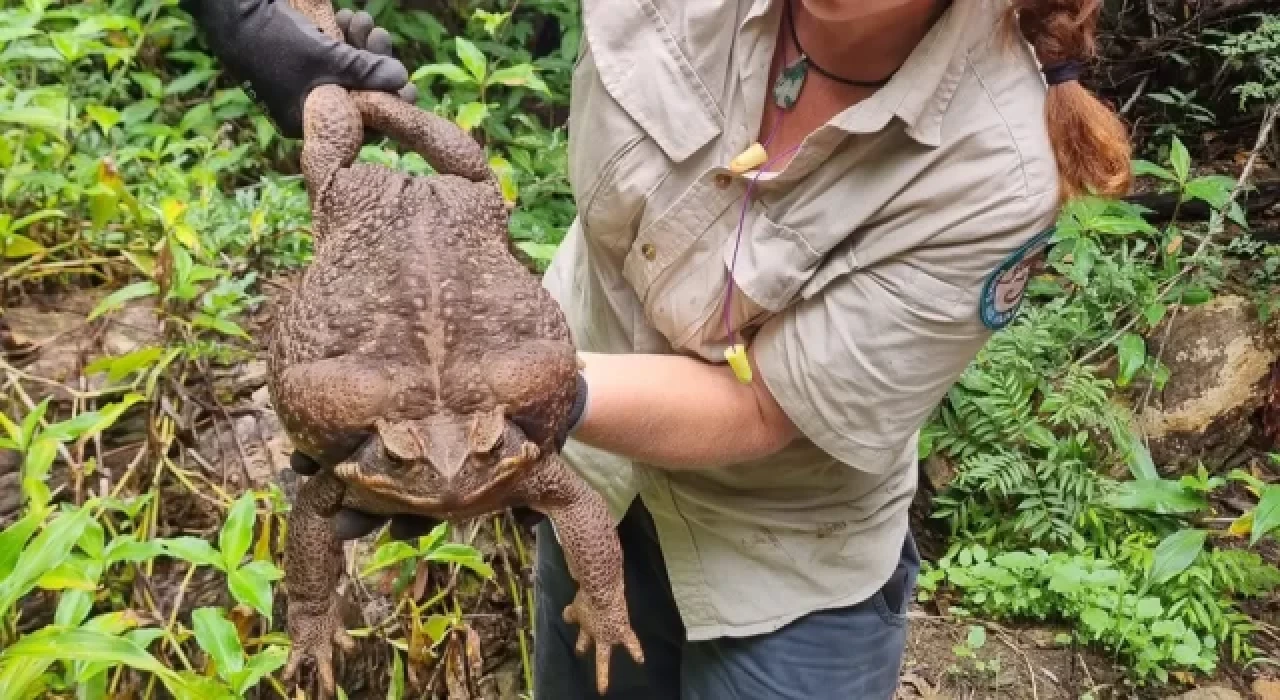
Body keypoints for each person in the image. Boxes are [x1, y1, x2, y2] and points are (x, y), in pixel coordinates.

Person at [184, 0, 1132, 697]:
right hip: (591, 478)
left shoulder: (998, 165)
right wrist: (268, 18)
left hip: (781, 557)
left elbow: (769, 408)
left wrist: (493, 407)